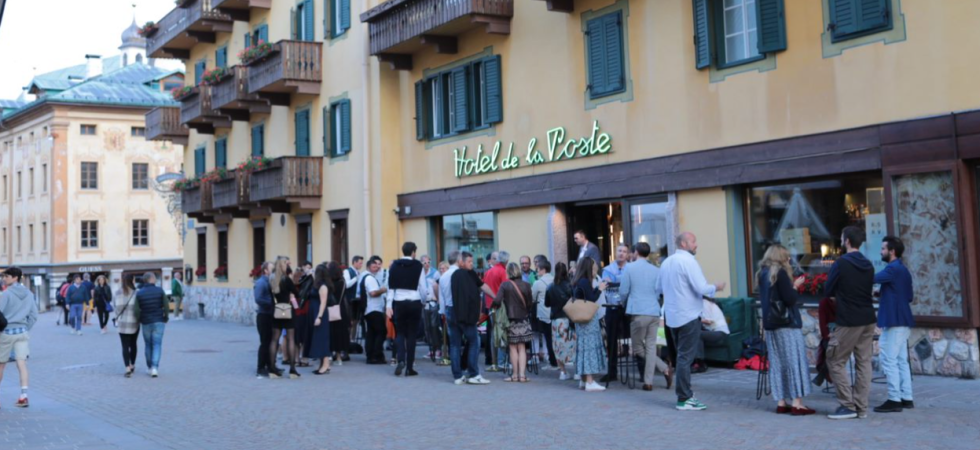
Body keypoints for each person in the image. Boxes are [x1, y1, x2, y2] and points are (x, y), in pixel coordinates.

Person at [661, 232, 726, 410]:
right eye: (693, 241)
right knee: (685, 358)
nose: (696, 244)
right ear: (683, 243)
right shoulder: (689, 261)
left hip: (672, 316)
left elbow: (658, 287)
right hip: (688, 315)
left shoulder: (666, 262)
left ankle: (684, 395)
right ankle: (684, 398)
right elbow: (701, 288)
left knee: (681, 357)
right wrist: (716, 287)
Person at [824, 226, 877, 420]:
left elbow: (828, 290)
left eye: (841, 237)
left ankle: (847, 405)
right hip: (868, 318)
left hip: (848, 319)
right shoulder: (868, 264)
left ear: (846, 241)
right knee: (864, 363)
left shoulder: (841, 263)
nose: (840, 240)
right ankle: (861, 407)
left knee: (835, 360)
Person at [758, 244, 815, 416]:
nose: (789, 259)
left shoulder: (762, 273)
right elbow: (789, 299)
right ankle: (797, 403)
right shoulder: (780, 273)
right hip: (786, 324)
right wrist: (795, 286)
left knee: (777, 363)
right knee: (794, 361)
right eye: (787, 256)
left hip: (771, 324)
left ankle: (781, 401)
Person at [620, 242, 672, 391]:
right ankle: (650, 380)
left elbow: (623, 291)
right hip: (654, 311)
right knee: (650, 346)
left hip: (638, 311)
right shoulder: (656, 270)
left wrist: (623, 303)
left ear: (636, 252)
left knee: (637, 347)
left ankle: (662, 369)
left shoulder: (629, 268)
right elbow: (658, 291)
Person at [873, 236, 916, 413]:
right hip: (903, 320)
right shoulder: (903, 269)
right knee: (901, 361)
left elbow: (872, 278)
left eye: (883, 249)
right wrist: (883, 294)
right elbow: (909, 296)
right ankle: (906, 397)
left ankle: (894, 399)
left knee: (889, 360)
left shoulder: (892, 269)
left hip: (894, 321)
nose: (881, 252)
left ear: (892, 251)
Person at [447, 251, 494, 385]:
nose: (472, 264)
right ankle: (474, 374)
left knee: (455, 345)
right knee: (474, 342)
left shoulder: (451, 275)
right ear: (461, 262)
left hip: (452, 312)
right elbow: (469, 296)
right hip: (464, 314)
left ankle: (457, 376)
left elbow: (482, 286)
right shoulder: (462, 275)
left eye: (472, 262)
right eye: (469, 262)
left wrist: (494, 296)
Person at [386, 242, 428, 377]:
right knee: (411, 335)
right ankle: (410, 368)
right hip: (414, 301)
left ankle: (400, 360)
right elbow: (423, 287)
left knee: (400, 333)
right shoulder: (418, 266)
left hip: (399, 302)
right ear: (413, 252)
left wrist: (388, 305)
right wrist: (423, 301)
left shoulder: (394, 266)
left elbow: (390, 287)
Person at [0, 267, 38, 408]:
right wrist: (25, 328)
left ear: (15, 277)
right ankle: (24, 397)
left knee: (1, 365)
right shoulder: (29, 294)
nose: (4, 278)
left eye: (7, 276)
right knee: (22, 364)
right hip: (22, 333)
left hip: (6, 333)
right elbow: (34, 315)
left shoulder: (6, 294)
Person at [493, 262, 534, 383]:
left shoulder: (505, 285)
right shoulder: (526, 285)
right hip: (523, 319)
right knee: (522, 348)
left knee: (512, 348)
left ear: (508, 272)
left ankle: (515, 375)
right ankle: (522, 375)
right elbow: (530, 303)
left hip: (510, 320)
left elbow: (497, 300)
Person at [570, 258, 607, 391]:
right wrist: (600, 289)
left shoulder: (577, 280)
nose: (595, 269)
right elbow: (591, 299)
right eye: (594, 267)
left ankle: (583, 380)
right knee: (589, 349)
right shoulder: (585, 281)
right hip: (588, 320)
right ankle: (590, 382)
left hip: (581, 320)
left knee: (583, 349)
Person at [600, 244, 630, 383]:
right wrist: (622, 282)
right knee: (611, 340)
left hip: (628, 308)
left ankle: (642, 372)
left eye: (624, 251)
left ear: (628, 254)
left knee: (634, 339)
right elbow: (607, 285)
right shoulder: (607, 269)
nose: (622, 253)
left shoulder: (631, 268)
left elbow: (620, 284)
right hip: (612, 307)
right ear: (615, 252)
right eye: (619, 251)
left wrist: (615, 282)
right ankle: (612, 371)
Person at [270, 257, 301, 379]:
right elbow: (297, 293)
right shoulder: (286, 279)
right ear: (282, 266)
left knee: (274, 340)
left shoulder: (271, 279)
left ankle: (272, 369)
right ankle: (292, 370)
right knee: (291, 339)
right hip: (287, 311)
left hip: (276, 311)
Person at [546, 262, 576, 380]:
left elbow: (547, 303)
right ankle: (578, 372)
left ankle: (563, 372)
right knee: (574, 345)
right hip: (570, 318)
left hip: (556, 320)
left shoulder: (550, 286)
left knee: (558, 346)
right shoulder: (571, 285)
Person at [483, 250, 510, 371]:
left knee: (493, 334)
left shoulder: (489, 271)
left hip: (490, 305)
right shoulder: (502, 271)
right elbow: (506, 289)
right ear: (506, 261)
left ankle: (494, 361)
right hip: (500, 306)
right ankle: (501, 361)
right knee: (501, 333)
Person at [136, 273, 167, 378]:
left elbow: (136, 309)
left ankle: (149, 367)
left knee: (148, 344)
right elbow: (166, 305)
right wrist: (166, 317)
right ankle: (155, 367)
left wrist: (139, 319)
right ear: (152, 279)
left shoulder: (140, 293)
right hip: (158, 320)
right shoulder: (160, 290)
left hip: (146, 321)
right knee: (157, 344)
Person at [307, 263, 334, 375]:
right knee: (318, 338)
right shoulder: (317, 284)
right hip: (315, 313)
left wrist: (319, 317)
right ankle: (322, 364)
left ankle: (326, 364)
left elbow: (323, 303)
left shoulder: (323, 286)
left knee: (322, 339)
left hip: (320, 314)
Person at [361, 257, 389, 364]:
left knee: (371, 333)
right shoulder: (370, 278)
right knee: (381, 332)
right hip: (374, 309)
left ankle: (371, 355)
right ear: (368, 267)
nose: (376, 268)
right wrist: (383, 290)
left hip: (371, 309)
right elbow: (373, 293)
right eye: (374, 266)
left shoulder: (369, 277)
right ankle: (377, 355)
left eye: (377, 266)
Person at [530, 259, 557, 369]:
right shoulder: (555, 280)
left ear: (543, 270)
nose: (537, 272)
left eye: (538, 269)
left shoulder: (538, 283)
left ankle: (552, 361)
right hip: (556, 312)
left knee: (548, 337)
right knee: (555, 338)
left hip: (544, 314)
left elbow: (532, 298)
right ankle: (557, 360)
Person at [253, 262, 279, 378]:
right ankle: (260, 368)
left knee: (272, 342)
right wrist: (273, 303)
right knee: (265, 342)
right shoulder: (261, 283)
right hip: (264, 316)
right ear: (265, 271)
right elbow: (258, 299)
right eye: (272, 269)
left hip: (272, 315)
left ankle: (271, 365)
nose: (274, 271)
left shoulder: (271, 282)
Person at [114, 277, 141, 378]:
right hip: (134, 322)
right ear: (132, 281)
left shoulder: (117, 293)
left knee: (124, 346)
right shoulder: (136, 292)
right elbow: (139, 307)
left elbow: (115, 307)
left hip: (122, 322)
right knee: (133, 344)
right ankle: (132, 364)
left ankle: (127, 368)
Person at [693, 298, 730, 373]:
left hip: (720, 332)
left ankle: (701, 363)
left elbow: (709, 322)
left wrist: (697, 320)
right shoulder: (703, 303)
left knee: (697, 334)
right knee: (695, 333)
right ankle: (695, 361)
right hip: (713, 330)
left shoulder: (705, 304)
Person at [424, 261, 448, 361]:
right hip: (430, 304)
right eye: (440, 268)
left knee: (436, 327)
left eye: (443, 268)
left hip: (442, 306)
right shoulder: (437, 279)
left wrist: (437, 299)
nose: (441, 270)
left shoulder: (444, 278)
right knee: (428, 327)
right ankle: (433, 349)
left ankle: (440, 349)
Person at [295, 262, 314, 367]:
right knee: (303, 337)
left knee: (298, 338)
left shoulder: (294, 284)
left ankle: (298, 359)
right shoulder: (307, 282)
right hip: (304, 312)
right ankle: (303, 359)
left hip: (298, 312)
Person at [344, 256, 364, 348]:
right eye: (360, 263)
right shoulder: (347, 271)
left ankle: (352, 340)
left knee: (356, 320)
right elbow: (347, 285)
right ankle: (347, 340)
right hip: (349, 300)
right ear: (354, 262)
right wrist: (356, 278)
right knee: (350, 320)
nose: (361, 265)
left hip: (357, 300)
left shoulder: (358, 272)